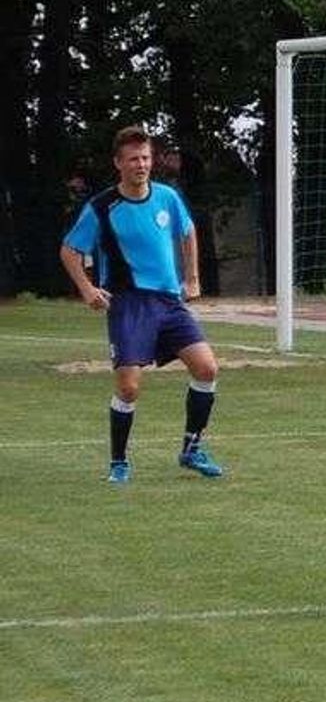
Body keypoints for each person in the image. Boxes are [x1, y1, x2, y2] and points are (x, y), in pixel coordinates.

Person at [59, 125, 224, 484]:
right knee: (129, 387)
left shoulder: (167, 196)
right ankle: (119, 461)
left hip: (169, 301)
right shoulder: (102, 207)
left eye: (146, 157)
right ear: (118, 163)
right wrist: (87, 289)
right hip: (129, 303)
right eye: (133, 159)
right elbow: (70, 250)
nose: (141, 164)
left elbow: (188, 230)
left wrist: (192, 276)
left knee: (207, 368)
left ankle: (192, 448)